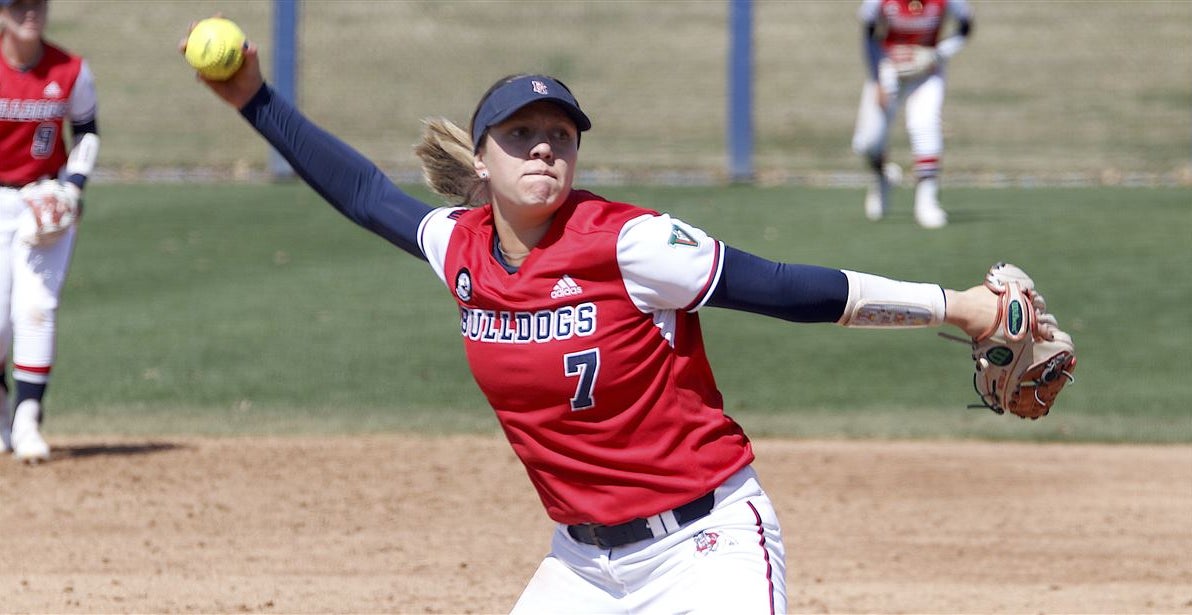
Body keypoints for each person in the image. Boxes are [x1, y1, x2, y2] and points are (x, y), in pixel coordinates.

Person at [185, 27, 1012, 615]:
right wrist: (253, 98)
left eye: (560, 136)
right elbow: (364, 193)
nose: (545, 148)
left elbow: (788, 288)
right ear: (482, 158)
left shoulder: (634, 243)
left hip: (707, 549)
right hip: (582, 566)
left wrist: (960, 306)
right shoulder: (460, 247)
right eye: (521, 135)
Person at [0, 0, 99, 462]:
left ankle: (27, 418)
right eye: (18, 4)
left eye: (37, 3)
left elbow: (86, 131)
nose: (30, 12)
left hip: (44, 201)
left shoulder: (72, 69)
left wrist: (72, 189)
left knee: (37, 307)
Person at [851, 0, 973, 229]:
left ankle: (927, 202)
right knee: (867, 142)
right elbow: (868, 33)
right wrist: (878, 78)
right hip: (888, 68)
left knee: (924, 125)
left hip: (927, 71)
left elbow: (966, 26)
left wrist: (937, 54)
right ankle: (883, 176)